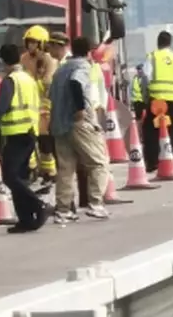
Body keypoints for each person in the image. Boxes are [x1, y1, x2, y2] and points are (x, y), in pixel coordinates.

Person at [48, 36, 111, 224]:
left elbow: (51, 95)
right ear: (88, 51)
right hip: (78, 123)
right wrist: (80, 109)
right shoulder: (83, 67)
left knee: (66, 169)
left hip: (59, 124)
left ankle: (63, 210)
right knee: (98, 162)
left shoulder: (60, 70)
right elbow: (76, 83)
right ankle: (96, 204)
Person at [0, 44, 48, 233]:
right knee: (20, 177)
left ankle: (38, 205)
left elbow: (2, 107)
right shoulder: (28, 78)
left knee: (10, 177)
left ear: (3, 61)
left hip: (16, 134)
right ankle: (25, 220)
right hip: (31, 132)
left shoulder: (9, 81)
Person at [141, 31, 173, 172]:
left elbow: (145, 78)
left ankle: (152, 162)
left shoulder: (152, 57)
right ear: (170, 43)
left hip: (156, 100)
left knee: (151, 130)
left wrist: (146, 97)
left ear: (158, 43)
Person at [20, 25, 57, 183]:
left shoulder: (49, 60)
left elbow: (48, 82)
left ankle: (50, 173)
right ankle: (32, 170)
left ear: (42, 44)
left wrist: (34, 83)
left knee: (45, 143)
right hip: (28, 105)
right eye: (29, 42)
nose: (31, 46)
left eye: (34, 43)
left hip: (44, 107)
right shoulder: (24, 59)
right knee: (29, 141)